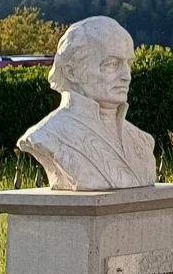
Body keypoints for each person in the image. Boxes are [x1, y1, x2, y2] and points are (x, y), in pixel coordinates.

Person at [17, 15, 157, 190]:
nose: (126, 76)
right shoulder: (46, 136)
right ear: (72, 72)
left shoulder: (142, 140)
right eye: (112, 64)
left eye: (128, 64)